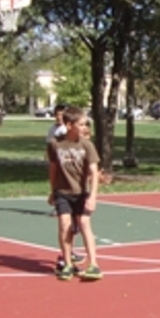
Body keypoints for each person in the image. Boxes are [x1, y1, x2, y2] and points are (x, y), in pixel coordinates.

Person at [47, 106, 103, 281]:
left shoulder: (87, 145)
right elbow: (53, 169)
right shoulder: (55, 144)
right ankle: (68, 264)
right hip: (63, 192)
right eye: (81, 124)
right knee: (65, 225)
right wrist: (52, 191)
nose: (85, 127)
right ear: (69, 125)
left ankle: (93, 264)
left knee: (84, 223)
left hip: (81, 193)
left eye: (86, 124)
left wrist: (93, 196)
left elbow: (94, 173)